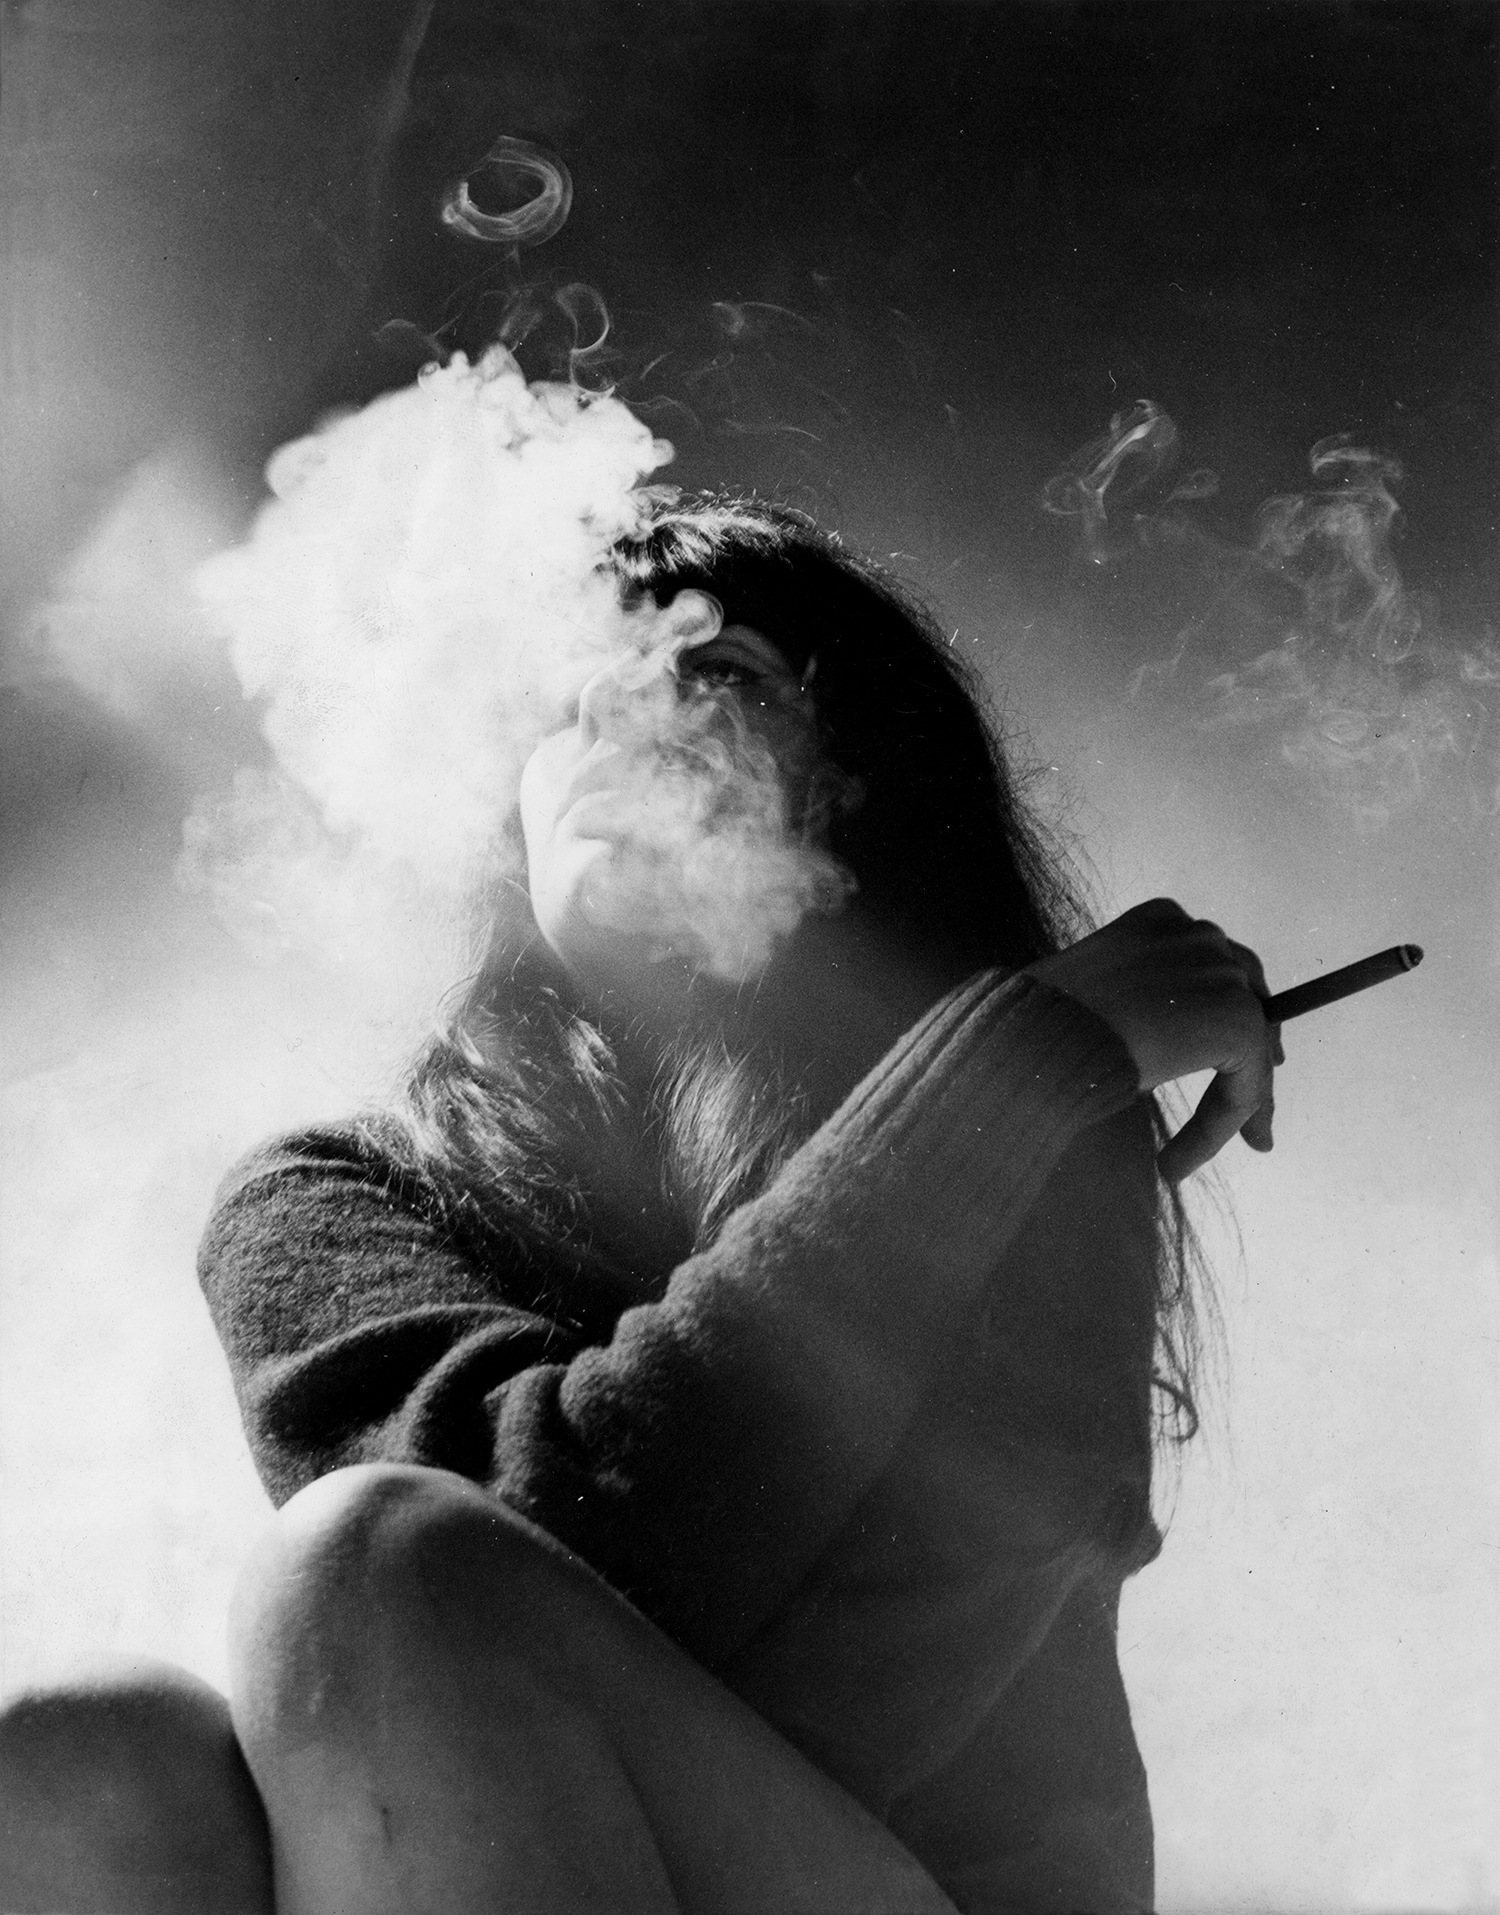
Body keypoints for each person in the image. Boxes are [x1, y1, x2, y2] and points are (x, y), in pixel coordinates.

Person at [0, 499, 1280, 1914]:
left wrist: (1000, 1089)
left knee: (377, 1558)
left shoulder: (1021, 1120)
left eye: (715, 673)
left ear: (861, 779)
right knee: (78, 1761)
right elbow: (486, 1604)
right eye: (567, 691)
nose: (619, 717)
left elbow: (871, 1702)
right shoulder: (325, 1200)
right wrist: (1003, 1080)